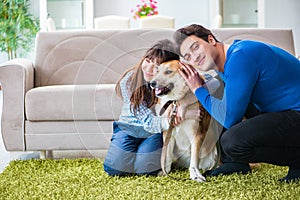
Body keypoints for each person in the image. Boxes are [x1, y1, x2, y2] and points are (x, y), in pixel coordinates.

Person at [173, 24, 300, 182]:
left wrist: (197, 88)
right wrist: (182, 106)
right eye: (188, 56)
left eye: (196, 47)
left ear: (211, 40)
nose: (195, 57)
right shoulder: (226, 62)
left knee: (233, 141)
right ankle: (236, 164)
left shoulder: (241, 56)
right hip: (284, 110)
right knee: (220, 87)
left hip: (296, 112)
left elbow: (229, 118)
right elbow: (216, 89)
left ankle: (298, 162)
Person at [103, 39, 184, 176]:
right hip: (128, 128)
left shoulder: (170, 81)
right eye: (148, 61)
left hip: (153, 133)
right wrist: (169, 121)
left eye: (157, 67)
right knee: (115, 169)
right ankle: (131, 155)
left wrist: (184, 105)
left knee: (145, 169)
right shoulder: (129, 80)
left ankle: (140, 157)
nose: (149, 69)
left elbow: (202, 79)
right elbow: (148, 122)